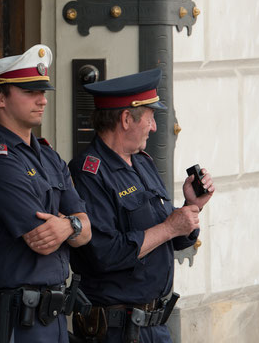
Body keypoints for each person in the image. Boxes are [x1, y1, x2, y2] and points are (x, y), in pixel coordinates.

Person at [68, 68, 215, 343]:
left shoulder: (142, 162)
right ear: (126, 119)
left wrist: (191, 207)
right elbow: (104, 253)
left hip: (155, 326)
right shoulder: (89, 173)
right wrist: (170, 227)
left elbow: (168, 239)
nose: (155, 126)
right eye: (150, 117)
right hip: (116, 330)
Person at [0, 44, 91, 343]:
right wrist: (71, 224)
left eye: (43, 91)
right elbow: (42, 242)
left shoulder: (48, 156)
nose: (42, 100)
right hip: (20, 320)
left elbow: (86, 230)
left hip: (55, 316)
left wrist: (67, 225)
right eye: (29, 92)